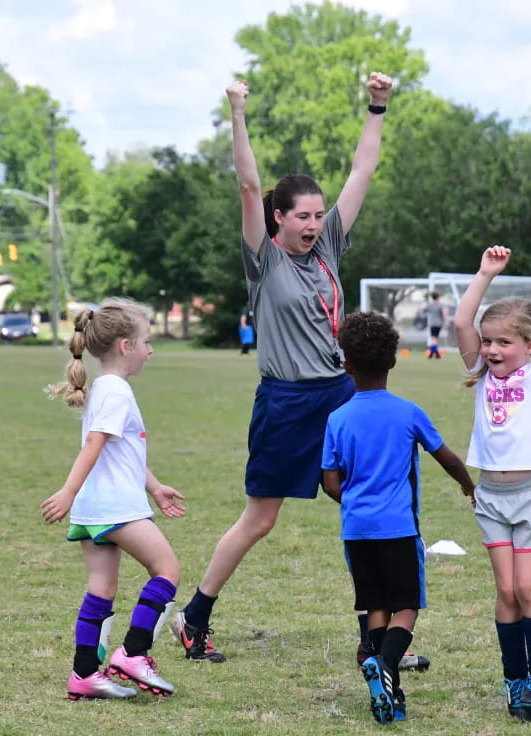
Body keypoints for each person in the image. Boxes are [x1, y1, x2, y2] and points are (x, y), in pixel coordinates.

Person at [169, 72, 395, 663]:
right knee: (260, 520)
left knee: (367, 504)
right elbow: (247, 183)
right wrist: (237, 111)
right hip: (288, 401)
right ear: (278, 219)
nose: (315, 224)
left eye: (320, 215)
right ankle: (194, 619)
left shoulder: (330, 248)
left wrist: (377, 106)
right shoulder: (264, 261)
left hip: (344, 395)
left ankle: (381, 635)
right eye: (303, 216)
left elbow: (362, 170)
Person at [321, 312, 474, 724]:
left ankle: (390, 693)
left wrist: (354, 502)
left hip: (356, 530)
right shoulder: (408, 412)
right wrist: (468, 486)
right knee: (406, 606)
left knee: (375, 605)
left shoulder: (337, 419)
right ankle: (386, 665)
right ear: (392, 361)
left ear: (346, 364)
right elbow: (447, 457)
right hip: (399, 529)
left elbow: (330, 482)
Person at [453, 245, 531, 722]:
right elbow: (463, 324)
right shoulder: (482, 374)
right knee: (506, 593)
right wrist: (486, 273)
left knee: (529, 588)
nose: (491, 350)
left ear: (529, 345)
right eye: (489, 342)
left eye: (504, 343)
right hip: (491, 497)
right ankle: (515, 681)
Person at [40, 298, 187, 699]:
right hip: (114, 506)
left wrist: (154, 486)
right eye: (146, 341)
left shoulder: (103, 388)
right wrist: (67, 490)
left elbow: (119, 451)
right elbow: (94, 443)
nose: (150, 349)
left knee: (101, 587)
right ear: (125, 346)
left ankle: (84, 674)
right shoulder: (117, 392)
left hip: (94, 508)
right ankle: (133, 653)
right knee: (167, 571)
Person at [424, 292, 448, 359]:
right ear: (438, 297)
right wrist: (446, 321)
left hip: (432, 324)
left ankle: (432, 354)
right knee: (434, 339)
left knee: (434, 339)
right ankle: (435, 354)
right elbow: (444, 313)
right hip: (438, 324)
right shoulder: (440, 305)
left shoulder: (430, 305)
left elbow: (424, 310)